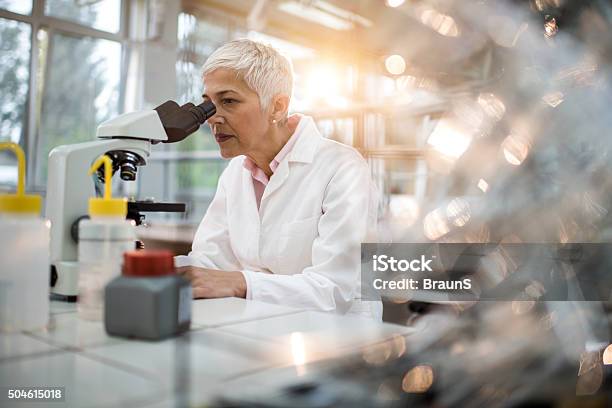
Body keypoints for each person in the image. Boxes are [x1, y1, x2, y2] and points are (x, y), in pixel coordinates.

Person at [175, 39, 381, 320]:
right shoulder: (236, 173)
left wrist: (241, 282)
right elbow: (210, 262)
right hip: (264, 329)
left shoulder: (342, 167)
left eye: (228, 101)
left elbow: (334, 290)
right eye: (208, 104)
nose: (212, 118)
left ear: (277, 106)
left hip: (342, 339)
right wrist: (156, 268)